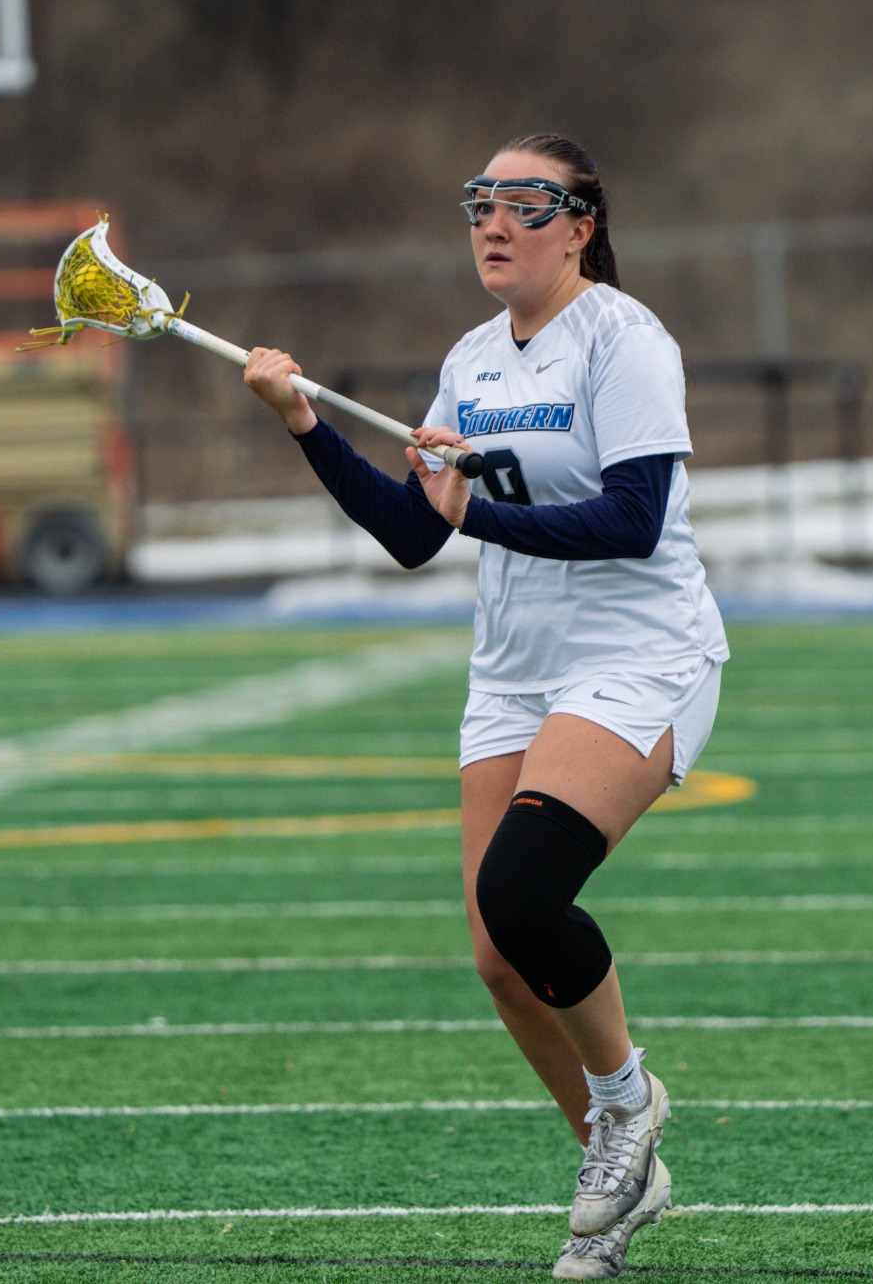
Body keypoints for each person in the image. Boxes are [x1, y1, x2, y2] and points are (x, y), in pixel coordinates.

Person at [242, 132, 728, 1281]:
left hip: (637, 655)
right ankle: (621, 1179)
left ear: (581, 225)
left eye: (525, 202)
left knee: (522, 891)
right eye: (480, 203)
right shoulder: (471, 358)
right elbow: (416, 531)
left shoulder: (622, 339)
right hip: (512, 672)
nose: (494, 222)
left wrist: (479, 515)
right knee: (500, 959)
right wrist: (303, 422)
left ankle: (625, 1099)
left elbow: (631, 521)